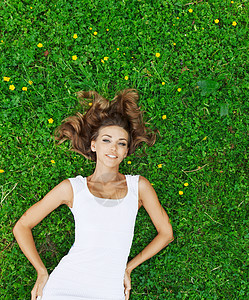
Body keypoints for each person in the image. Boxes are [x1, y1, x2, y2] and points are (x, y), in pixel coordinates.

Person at [13, 89, 174, 300]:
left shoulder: (139, 187)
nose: (113, 148)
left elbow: (166, 233)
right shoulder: (72, 188)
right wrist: (41, 272)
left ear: (126, 151)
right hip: (64, 288)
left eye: (121, 143)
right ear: (93, 145)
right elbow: (22, 226)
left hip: (109, 291)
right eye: (106, 140)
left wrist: (128, 268)